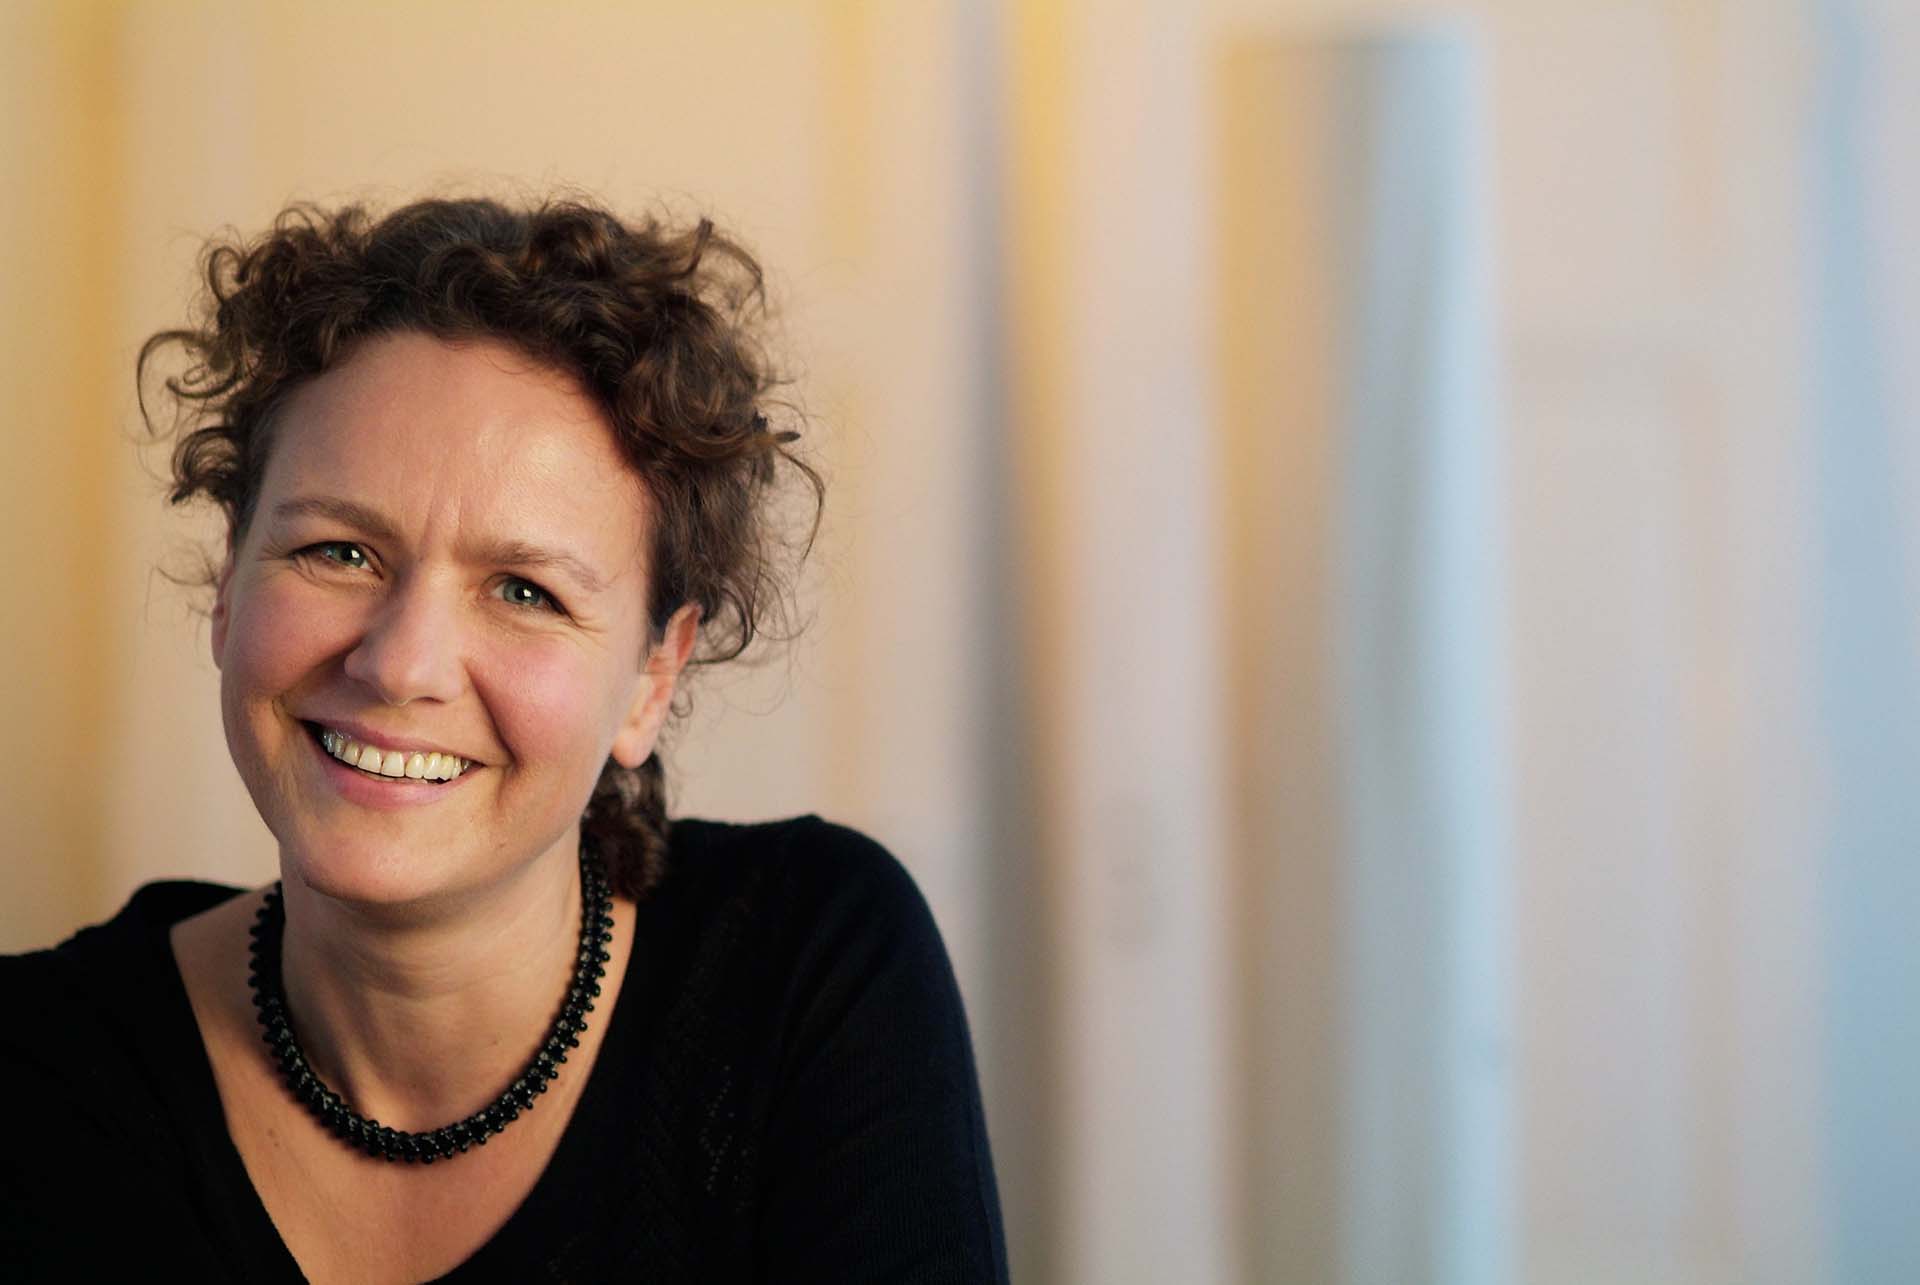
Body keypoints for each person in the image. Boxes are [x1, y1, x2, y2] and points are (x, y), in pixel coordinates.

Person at [0, 196, 1008, 1282]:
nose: (402, 664)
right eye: (339, 552)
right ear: (230, 583)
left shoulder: (807, 974)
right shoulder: (35, 1071)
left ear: (653, 677)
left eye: (525, 589)